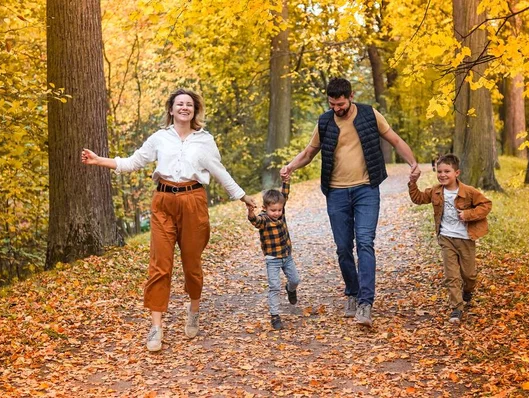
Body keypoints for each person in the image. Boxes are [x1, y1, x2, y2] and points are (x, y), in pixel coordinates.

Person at [81, 88, 256, 351]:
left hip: (193, 202)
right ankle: (156, 326)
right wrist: (98, 161)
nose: (184, 108)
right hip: (162, 202)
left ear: (194, 110)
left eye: (189, 105)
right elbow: (132, 162)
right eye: (179, 104)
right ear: (171, 110)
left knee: (192, 265)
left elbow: (221, 173)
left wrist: (244, 198)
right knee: (159, 265)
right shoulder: (160, 138)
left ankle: (194, 310)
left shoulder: (205, 141)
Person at [280, 77, 421, 327]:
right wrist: (291, 166)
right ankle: (352, 293)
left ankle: (366, 302)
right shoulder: (324, 122)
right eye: (332, 104)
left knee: (365, 242)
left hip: (366, 190)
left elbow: (395, 140)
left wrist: (412, 163)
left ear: (351, 96)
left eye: (341, 104)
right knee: (343, 247)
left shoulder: (369, 114)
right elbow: (310, 152)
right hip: (336, 193)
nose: (337, 109)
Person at [408, 154, 492, 323]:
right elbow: (418, 198)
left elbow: (486, 205)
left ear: (457, 173)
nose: (443, 175)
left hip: (465, 238)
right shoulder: (436, 191)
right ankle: (457, 308)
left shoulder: (468, 192)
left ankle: (468, 290)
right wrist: (412, 182)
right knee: (451, 275)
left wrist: (468, 214)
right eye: (439, 171)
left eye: (447, 171)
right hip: (446, 237)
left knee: (469, 275)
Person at [247, 177, 300, 330]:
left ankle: (290, 289)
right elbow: (254, 221)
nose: (277, 213)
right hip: (272, 259)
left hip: (287, 256)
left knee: (295, 280)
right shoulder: (264, 219)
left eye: (279, 210)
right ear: (265, 208)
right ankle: (275, 316)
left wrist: (286, 181)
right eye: (273, 210)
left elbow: (285, 195)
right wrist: (251, 212)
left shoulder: (281, 214)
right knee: (274, 286)